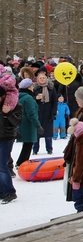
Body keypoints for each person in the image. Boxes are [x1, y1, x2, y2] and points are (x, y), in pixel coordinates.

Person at [0, 73, 21, 204]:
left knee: (2, 165)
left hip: (7, 137)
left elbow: (17, 121)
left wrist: (7, 114)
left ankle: (9, 191)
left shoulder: (13, 105)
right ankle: (2, 190)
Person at [15, 79, 40, 168]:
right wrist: (38, 126)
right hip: (28, 125)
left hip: (21, 124)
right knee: (28, 145)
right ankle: (21, 164)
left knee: (26, 145)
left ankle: (21, 163)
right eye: (32, 86)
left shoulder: (19, 96)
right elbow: (31, 114)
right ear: (28, 87)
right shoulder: (28, 98)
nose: (33, 87)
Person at [33, 70, 58, 155]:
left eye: (44, 78)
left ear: (46, 78)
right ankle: (35, 150)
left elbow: (55, 101)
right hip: (38, 113)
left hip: (48, 113)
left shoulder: (51, 87)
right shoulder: (35, 88)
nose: (42, 79)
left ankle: (49, 149)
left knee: (48, 134)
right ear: (37, 79)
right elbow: (31, 101)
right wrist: (36, 98)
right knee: (36, 133)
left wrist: (54, 112)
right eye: (40, 78)